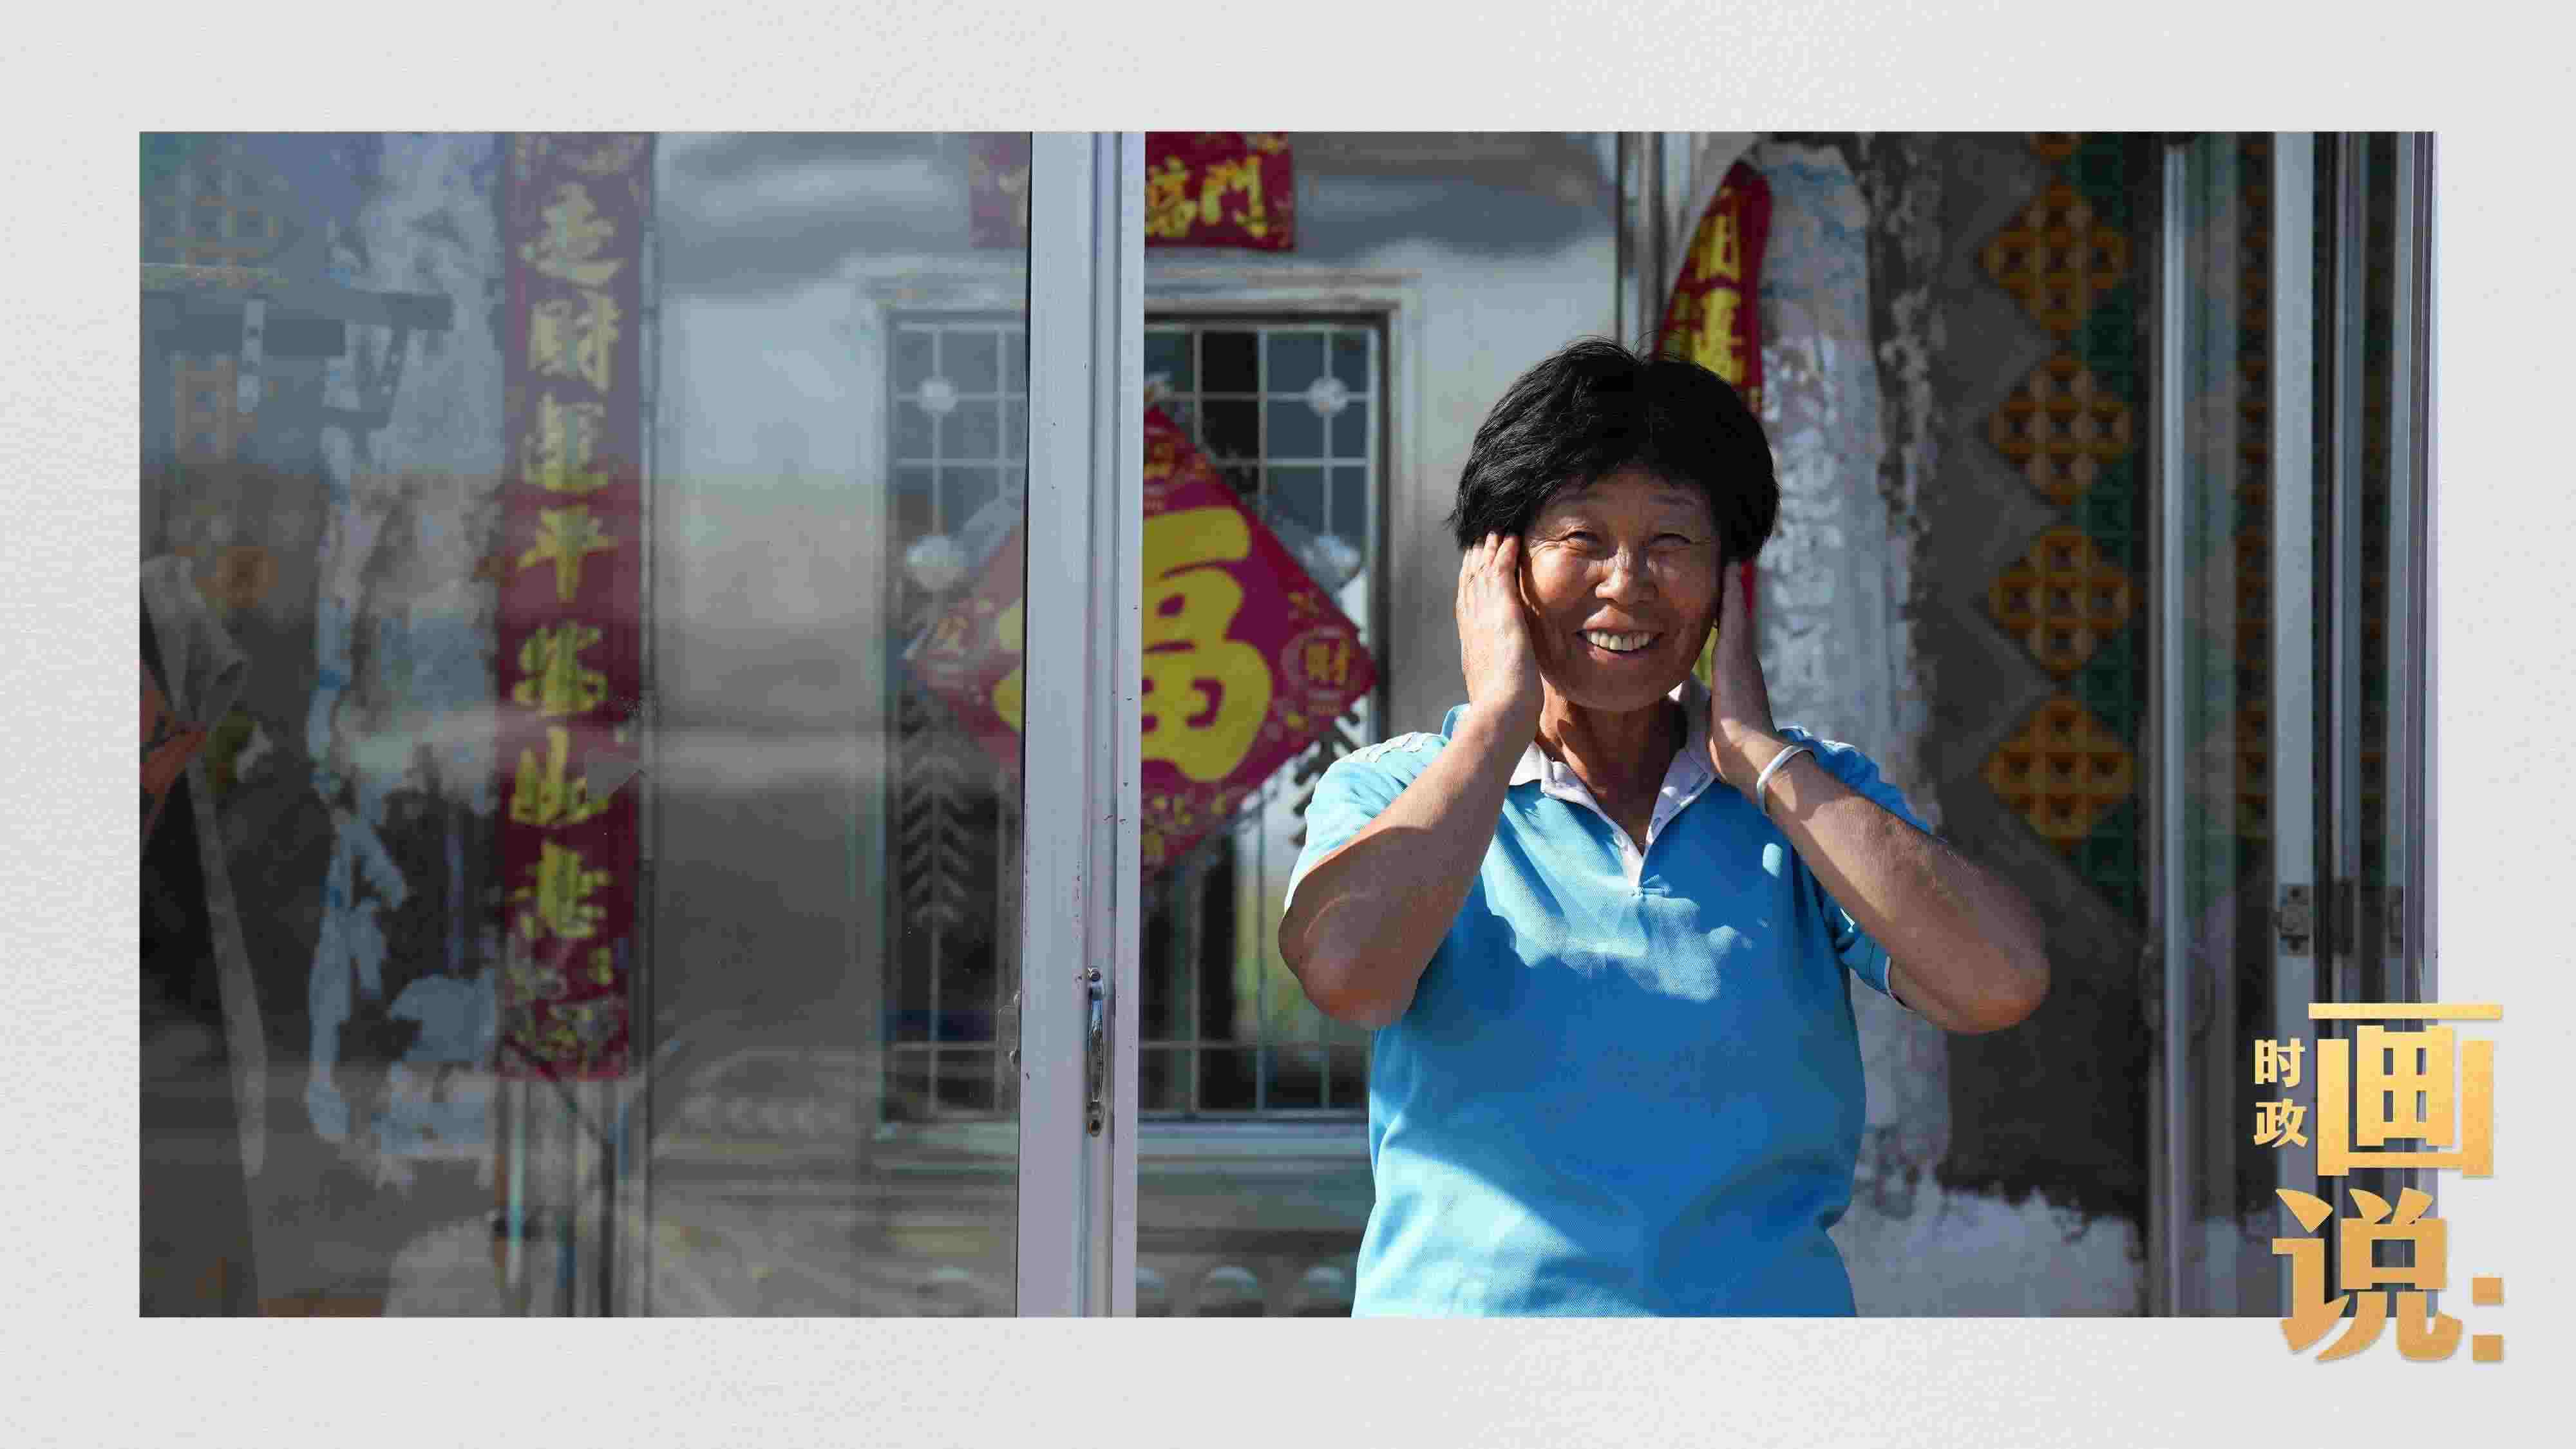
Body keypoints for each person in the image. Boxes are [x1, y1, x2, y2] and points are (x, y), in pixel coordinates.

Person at [1278, 338, 2049, 1316]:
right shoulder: (1394, 789)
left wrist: (1762, 758)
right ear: (1499, 569)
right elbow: (1346, 974)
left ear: (1731, 579)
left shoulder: (1806, 802)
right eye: (1582, 538)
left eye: (1673, 543)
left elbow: (2000, 981)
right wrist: (1500, 722)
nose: (1626, 582)